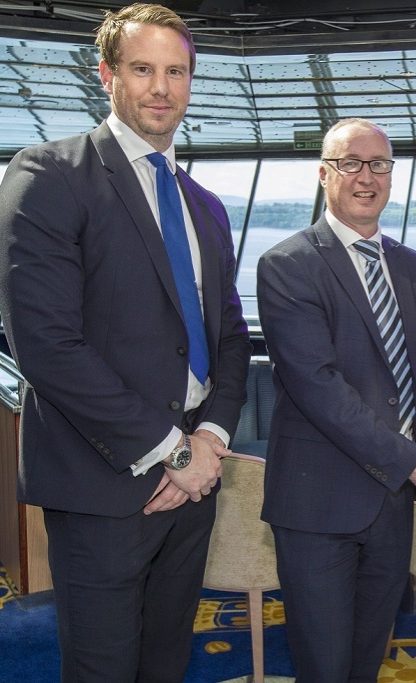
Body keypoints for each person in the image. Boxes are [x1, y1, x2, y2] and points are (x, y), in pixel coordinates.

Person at [0, 4, 252, 681]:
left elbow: (228, 337)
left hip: (192, 486)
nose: (162, 88)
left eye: (176, 71)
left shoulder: (205, 206)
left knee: (166, 661)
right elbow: (47, 345)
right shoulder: (48, 176)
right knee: (103, 668)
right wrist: (170, 450)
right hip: (105, 487)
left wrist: (208, 440)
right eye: (143, 69)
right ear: (107, 73)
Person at [256, 118, 416, 681]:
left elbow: (415, 371)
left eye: (379, 165)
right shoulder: (288, 264)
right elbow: (315, 385)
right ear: (324, 173)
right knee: (323, 665)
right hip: (318, 504)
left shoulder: (411, 267)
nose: (365, 177)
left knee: (369, 658)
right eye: (350, 163)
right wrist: (410, 459)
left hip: (390, 503)